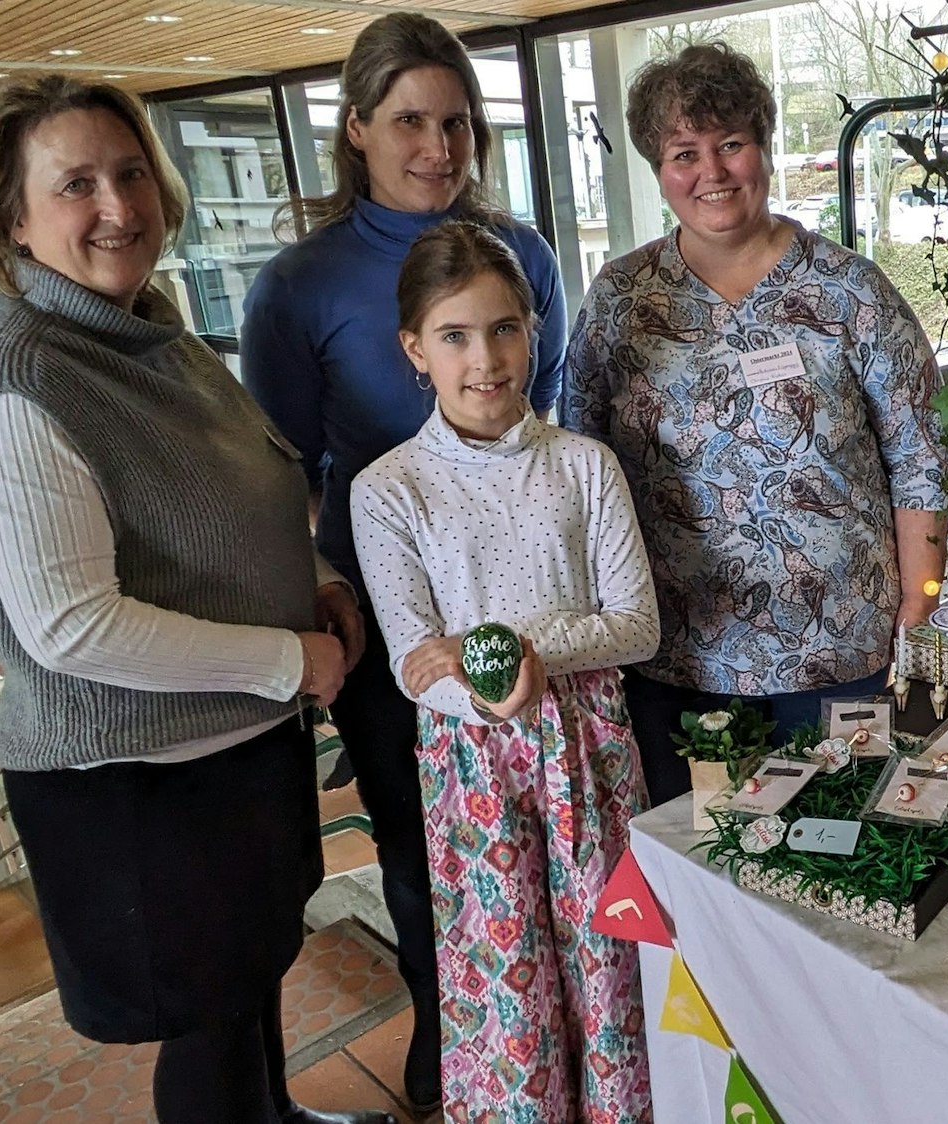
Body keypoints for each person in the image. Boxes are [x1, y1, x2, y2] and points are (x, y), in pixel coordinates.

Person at [0, 75, 388, 1124]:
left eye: (131, 171)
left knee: (248, 980)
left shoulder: (149, 329)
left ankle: (278, 1112)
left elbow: (239, 486)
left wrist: (311, 578)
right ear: (13, 218)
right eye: (76, 183)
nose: (118, 207)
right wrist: (289, 660)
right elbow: (71, 626)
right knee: (205, 1023)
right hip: (138, 786)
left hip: (227, 749)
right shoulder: (15, 381)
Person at [241, 14, 569, 1109]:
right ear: (358, 130)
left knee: (547, 827)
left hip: (528, 605)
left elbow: (540, 420)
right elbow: (282, 467)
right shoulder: (298, 285)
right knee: (425, 849)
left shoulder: (521, 254)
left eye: (457, 122)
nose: (437, 146)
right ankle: (453, 1040)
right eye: (410, 121)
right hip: (390, 621)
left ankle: (563, 1033)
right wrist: (323, 604)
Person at [562, 43, 948, 806]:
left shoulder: (850, 291)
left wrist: (918, 605)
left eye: (731, 144)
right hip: (677, 654)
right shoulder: (622, 299)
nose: (712, 172)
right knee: (704, 859)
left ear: (764, 150)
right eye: (685, 153)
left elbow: (920, 453)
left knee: (840, 847)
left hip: (840, 647)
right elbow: (580, 460)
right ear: (658, 167)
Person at [352, 221, 656, 1123]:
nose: (484, 359)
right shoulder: (389, 489)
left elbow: (636, 625)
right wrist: (485, 687)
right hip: (476, 772)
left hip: (590, 755)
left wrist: (509, 649)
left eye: (504, 329)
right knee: (506, 976)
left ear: (533, 331)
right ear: (416, 349)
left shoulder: (585, 465)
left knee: (610, 963)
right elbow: (417, 662)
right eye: (455, 336)